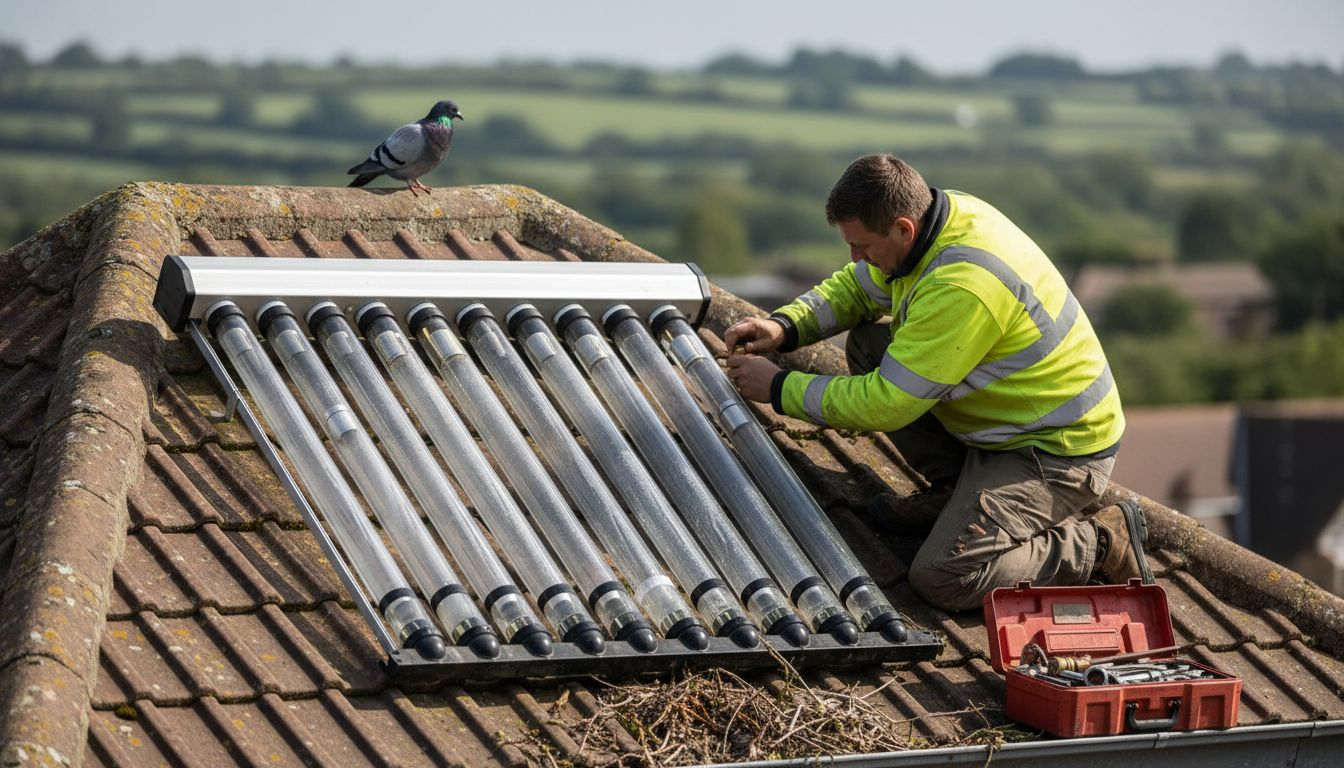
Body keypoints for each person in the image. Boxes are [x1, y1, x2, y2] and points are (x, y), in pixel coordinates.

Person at [723, 153, 1150, 612]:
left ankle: (1100, 541)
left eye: (862, 246)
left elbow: (887, 403)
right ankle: (954, 491)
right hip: (1010, 419)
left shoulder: (962, 284)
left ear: (902, 228)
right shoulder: (936, 221)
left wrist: (779, 389)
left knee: (945, 577)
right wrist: (785, 326)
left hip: (1054, 452)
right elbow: (857, 288)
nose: (856, 257)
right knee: (870, 345)